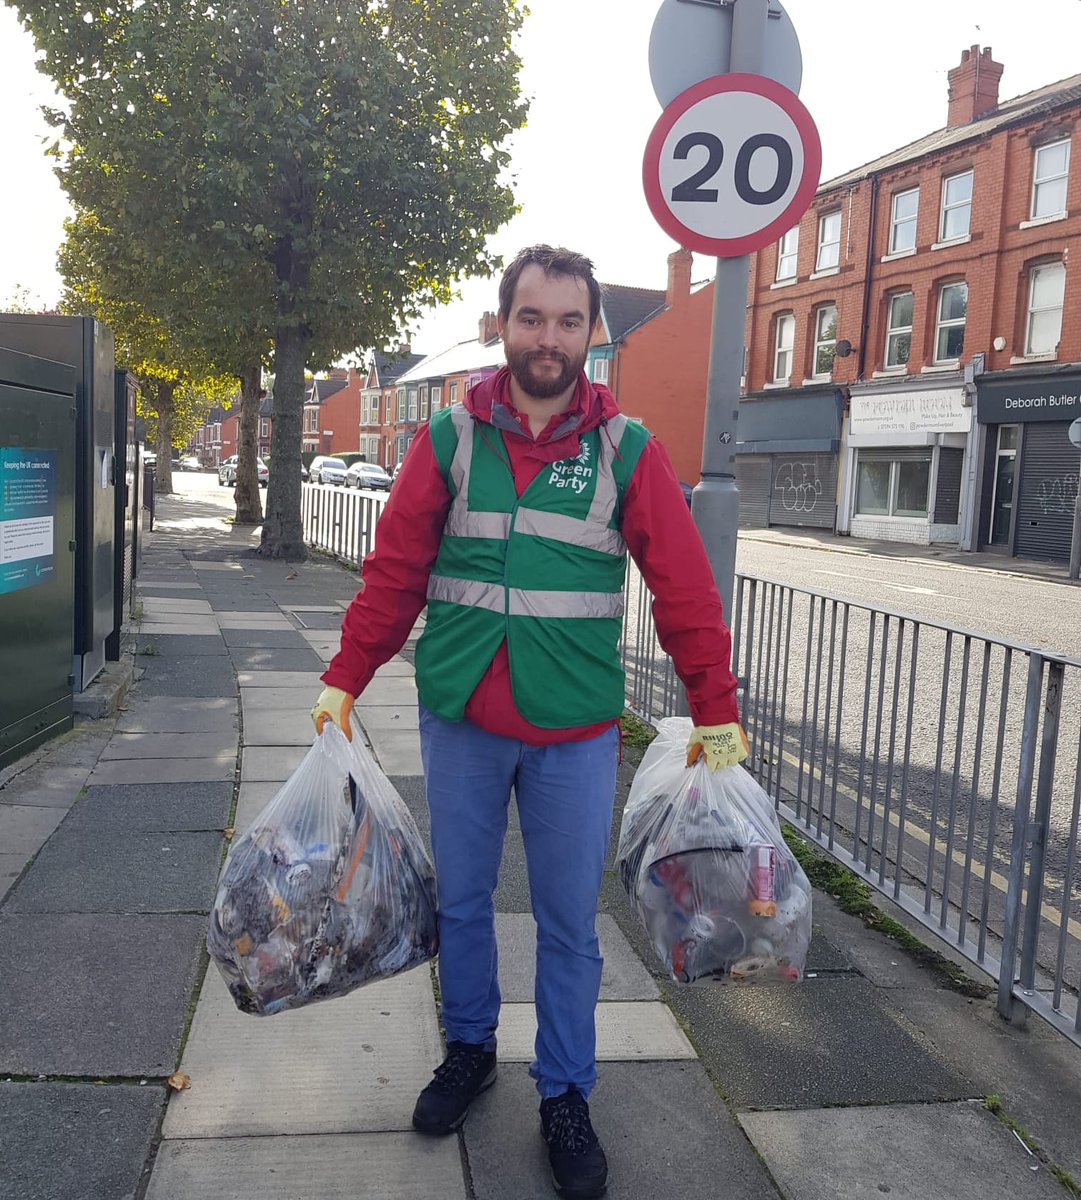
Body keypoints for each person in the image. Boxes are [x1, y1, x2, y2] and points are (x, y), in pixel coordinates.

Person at [312, 245, 747, 1199]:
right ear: (499, 325)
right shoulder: (447, 442)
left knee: (566, 925)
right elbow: (393, 577)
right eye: (530, 318)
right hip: (462, 716)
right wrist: (346, 677)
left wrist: (713, 708)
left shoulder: (627, 449)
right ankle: (469, 1049)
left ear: (591, 333)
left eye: (567, 321)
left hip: (574, 730)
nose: (547, 339)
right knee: (461, 903)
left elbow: (683, 590)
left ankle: (565, 1093)